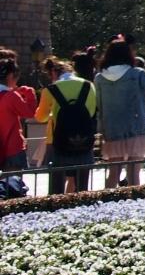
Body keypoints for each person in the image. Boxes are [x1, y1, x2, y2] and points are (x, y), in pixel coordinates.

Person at [95, 38, 145, 188]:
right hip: (135, 127)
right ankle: (134, 199)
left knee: (113, 173)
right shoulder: (136, 73)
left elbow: (99, 105)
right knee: (133, 173)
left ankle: (108, 199)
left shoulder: (100, 78)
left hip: (112, 128)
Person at [36, 53, 98, 194]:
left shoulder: (50, 89)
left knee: (56, 187)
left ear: (53, 72)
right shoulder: (89, 86)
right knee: (82, 187)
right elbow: (92, 111)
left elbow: (41, 117)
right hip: (84, 139)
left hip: (58, 140)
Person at [0, 54, 39, 171]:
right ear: (11, 76)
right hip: (13, 149)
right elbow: (29, 113)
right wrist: (30, 94)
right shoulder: (11, 96)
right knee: (16, 181)